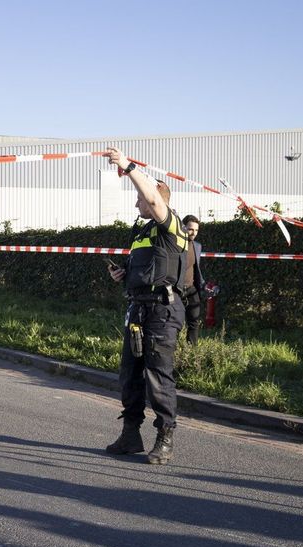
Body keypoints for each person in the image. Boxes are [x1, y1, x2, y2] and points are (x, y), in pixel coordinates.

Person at [102, 147, 188, 465]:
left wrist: (128, 167)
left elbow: (151, 199)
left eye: (139, 198)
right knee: (130, 374)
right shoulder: (142, 233)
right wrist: (121, 274)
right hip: (138, 309)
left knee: (158, 376)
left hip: (162, 312)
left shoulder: (170, 226)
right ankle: (130, 434)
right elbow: (141, 270)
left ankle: (164, 438)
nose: (137, 202)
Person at [180, 215, 205, 345]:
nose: (193, 233)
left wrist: (202, 284)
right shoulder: (175, 245)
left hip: (192, 289)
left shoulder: (197, 246)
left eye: (196, 230)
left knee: (194, 322)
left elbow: (196, 268)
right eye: (190, 229)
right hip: (176, 291)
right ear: (183, 227)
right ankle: (172, 353)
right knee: (175, 324)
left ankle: (191, 354)